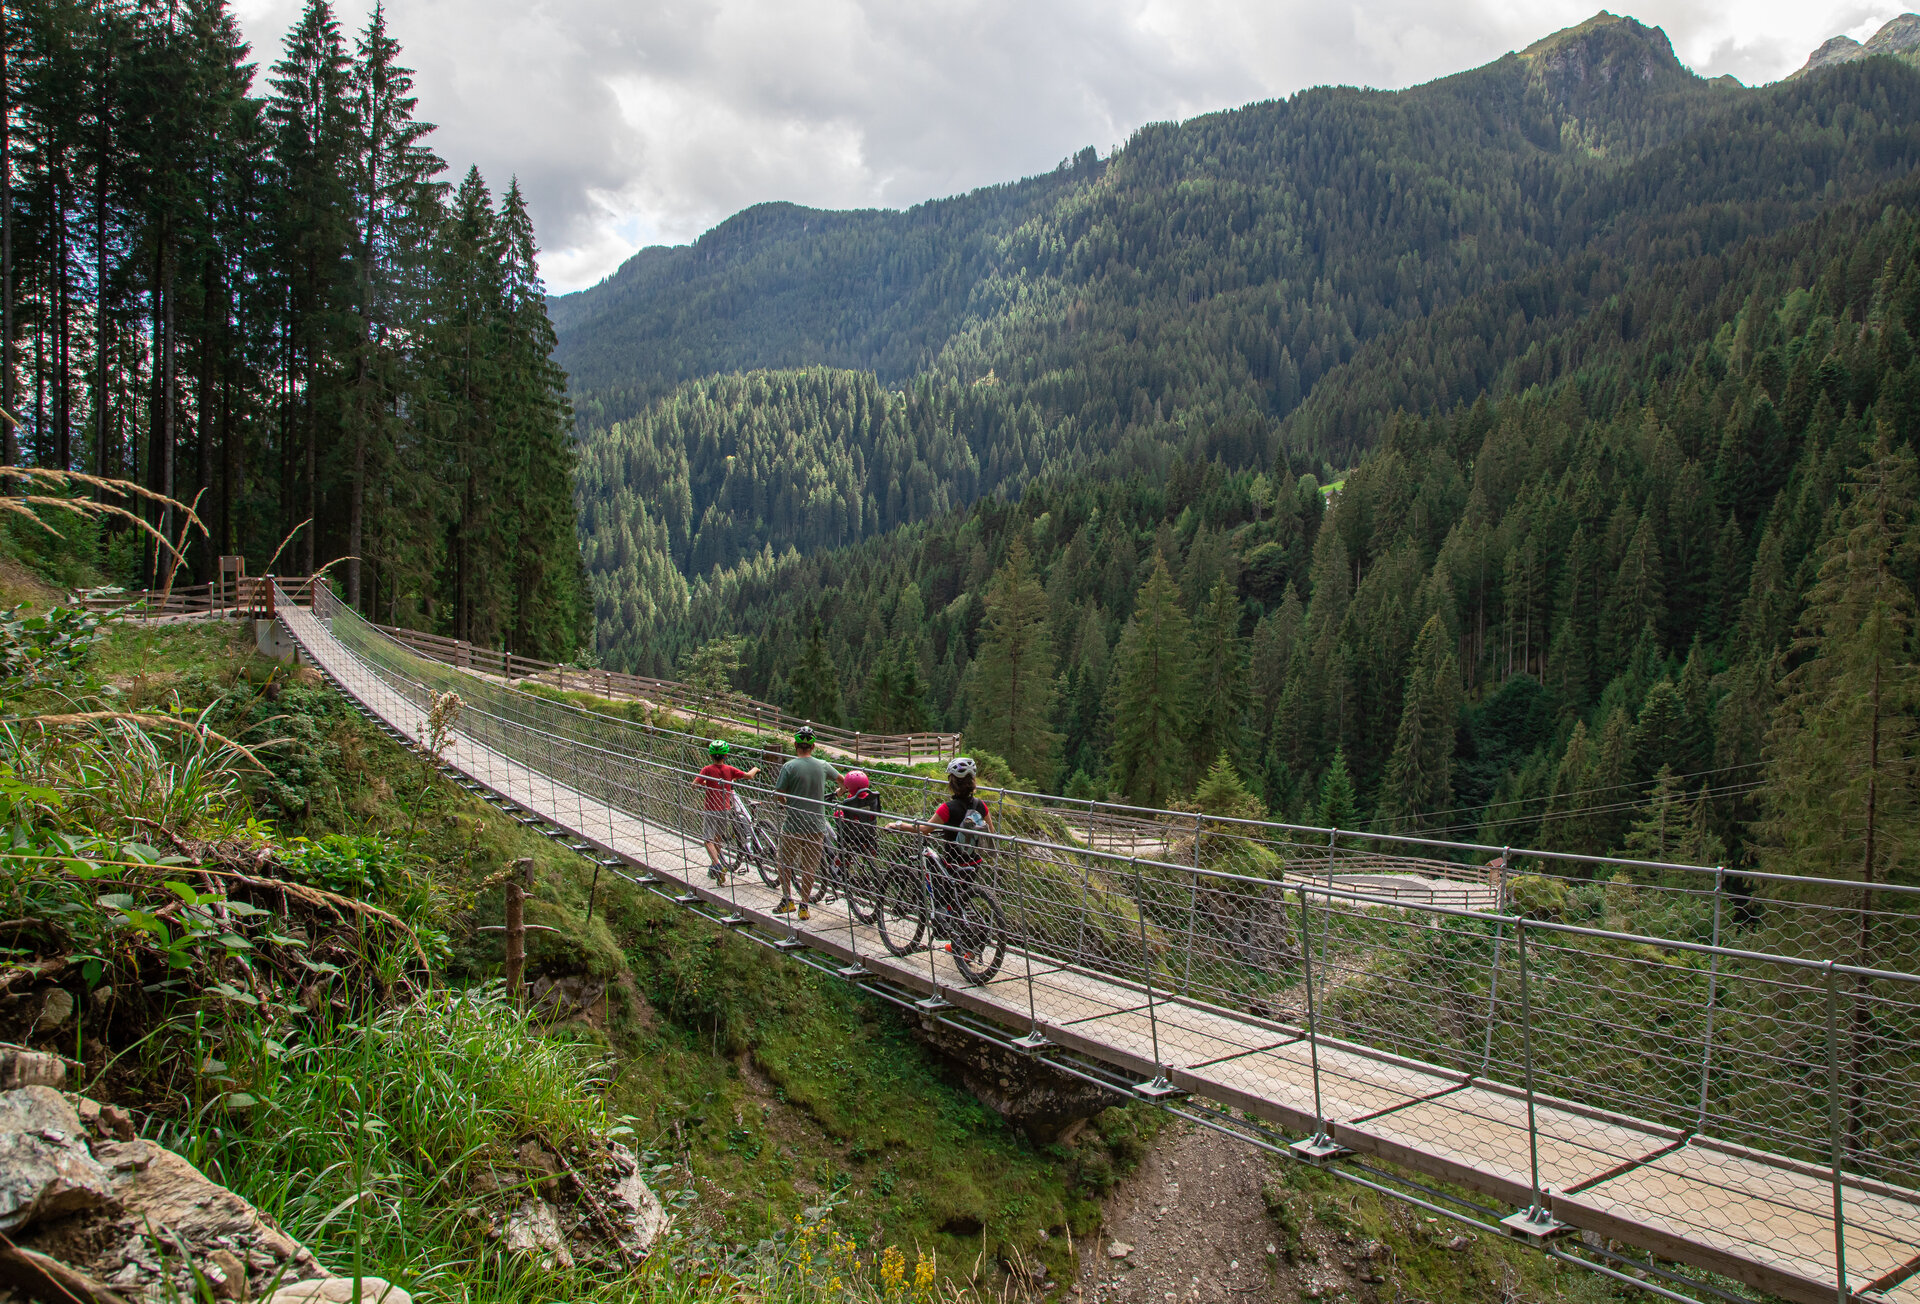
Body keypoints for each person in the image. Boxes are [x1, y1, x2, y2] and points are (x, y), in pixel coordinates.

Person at [886, 756, 992, 932]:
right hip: (974, 863)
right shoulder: (981, 805)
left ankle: (949, 930)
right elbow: (990, 832)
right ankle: (962, 941)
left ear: (952, 783)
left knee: (944, 895)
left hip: (952, 864)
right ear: (972, 781)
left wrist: (898, 825)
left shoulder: (947, 808)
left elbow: (924, 829)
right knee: (961, 900)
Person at [772, 725, 841, 920]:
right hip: (816, 825)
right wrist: (837, 794)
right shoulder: (823, 765)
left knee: (784, 862)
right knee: (810, 866)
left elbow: (778, 794)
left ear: (795, 745)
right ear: (813, 746)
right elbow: (843, 782)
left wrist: (786, 804)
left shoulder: (789, 767)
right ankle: (804, 905)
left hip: (794, 824)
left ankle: (787, 900)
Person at [695, 740, 759, 883]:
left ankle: (717, 865)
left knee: (707, 839)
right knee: (718, 837)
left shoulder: (707, 770)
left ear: (711, 756)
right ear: (726, 756)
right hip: (725, 810)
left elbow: (694, 784)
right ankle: (714, 867)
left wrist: (706, 783)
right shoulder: (730, 770)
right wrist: (755, 768)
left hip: (711, 809)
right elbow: (748, 776)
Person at [833, 769, 883, 883]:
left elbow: (841, 815)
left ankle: (841, 856)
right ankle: (871, 848)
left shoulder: (849, 802)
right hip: (869, 832)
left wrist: (837, 813)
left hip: (851, 834)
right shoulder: (872, 798)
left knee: (839, 821)